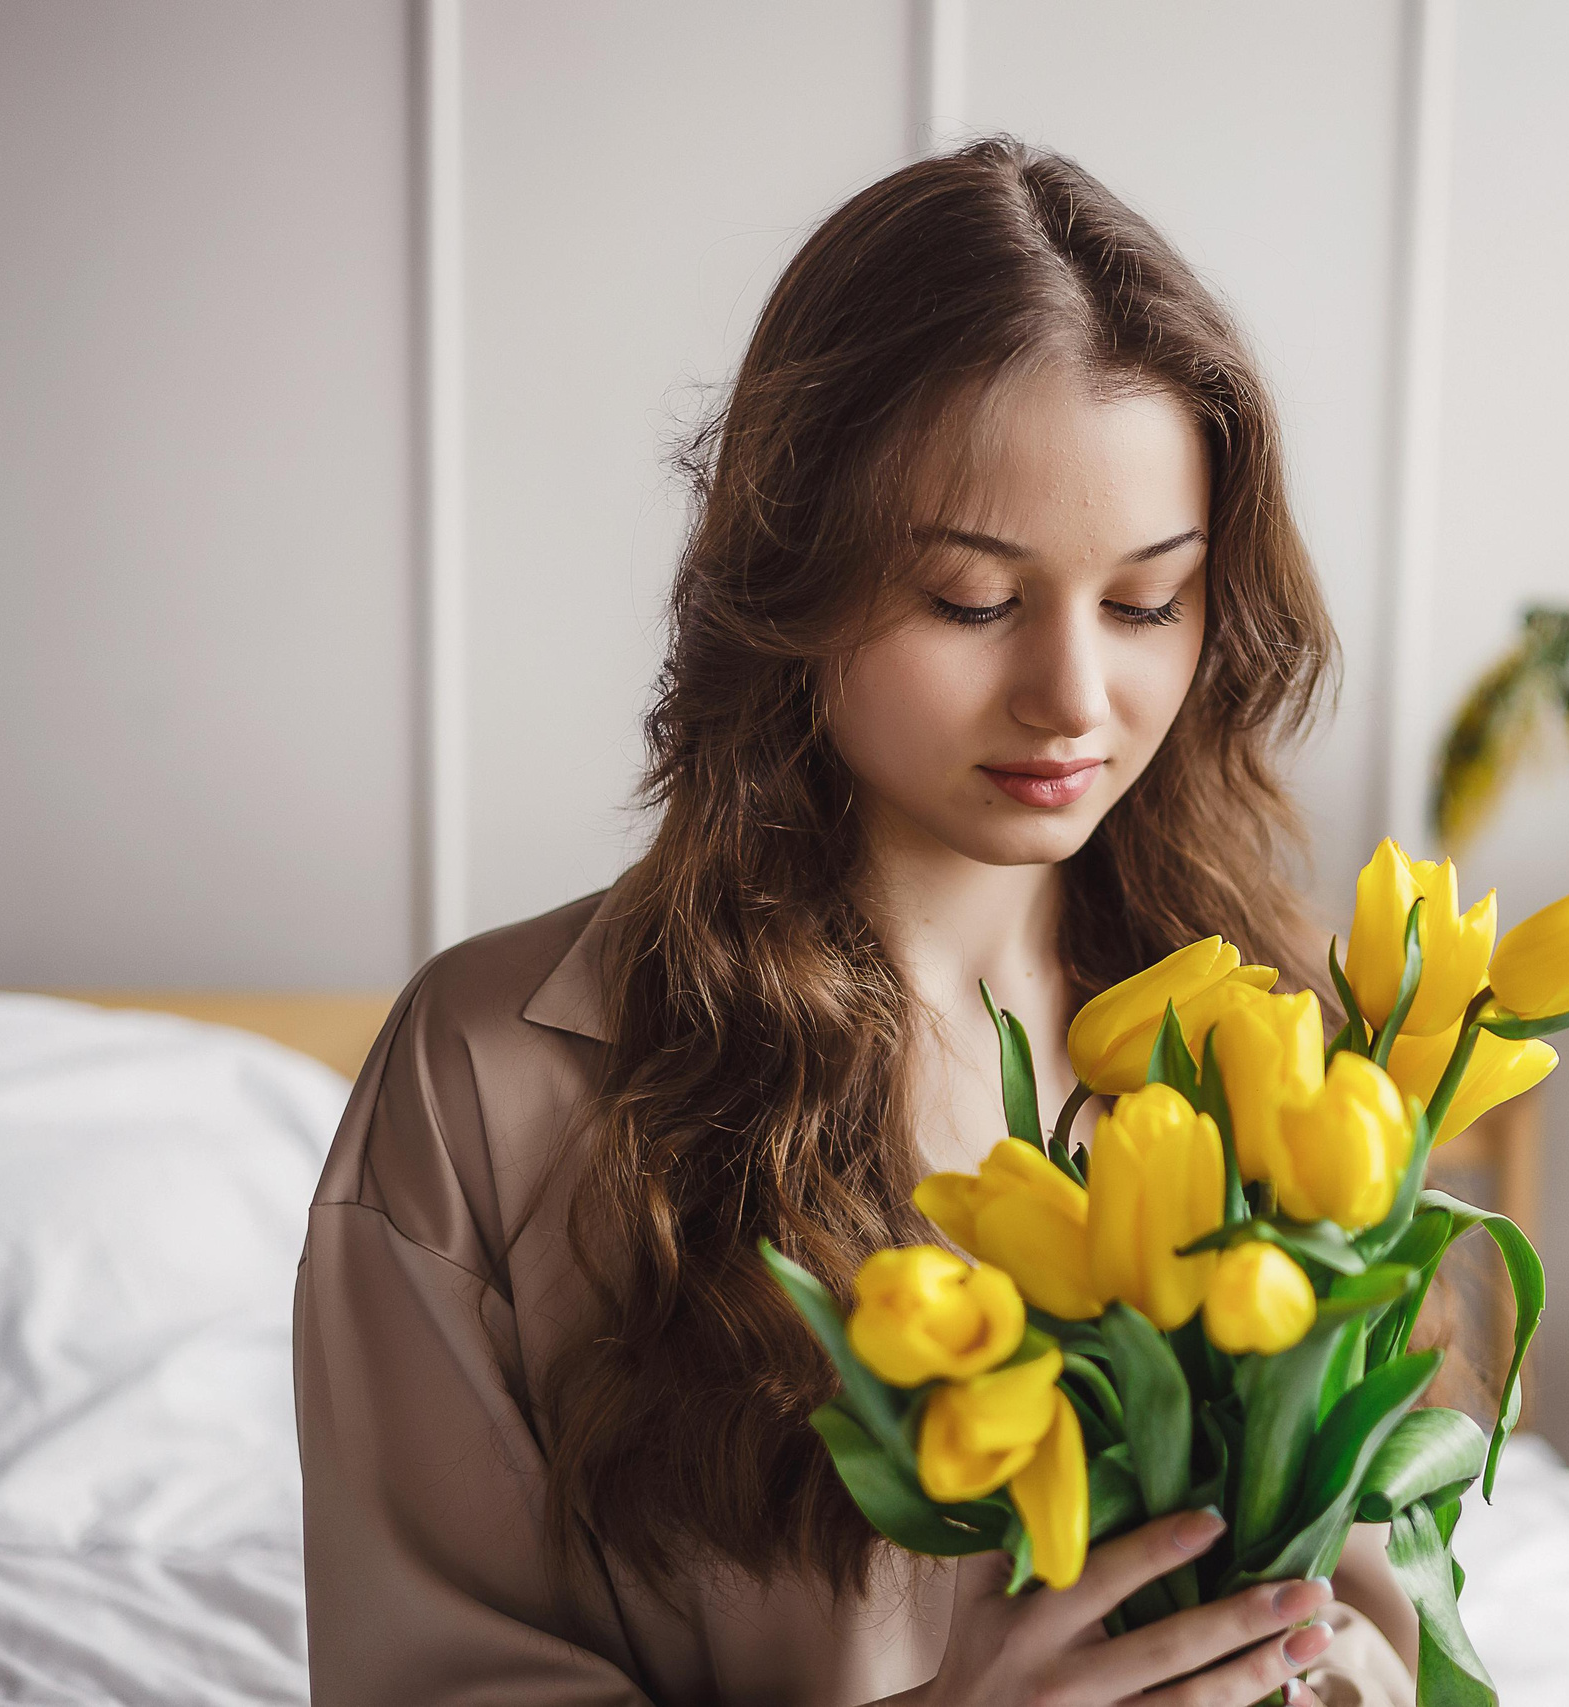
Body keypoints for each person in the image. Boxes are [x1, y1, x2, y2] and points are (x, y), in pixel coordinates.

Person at [293, 137, 1423, 1706]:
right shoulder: (490, 1082)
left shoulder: (1282, 1045)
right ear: (790, 569)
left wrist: (1344, 1669)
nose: (1075, 700)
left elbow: (1369, 1575)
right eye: (973, 600)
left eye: (1147, 601)